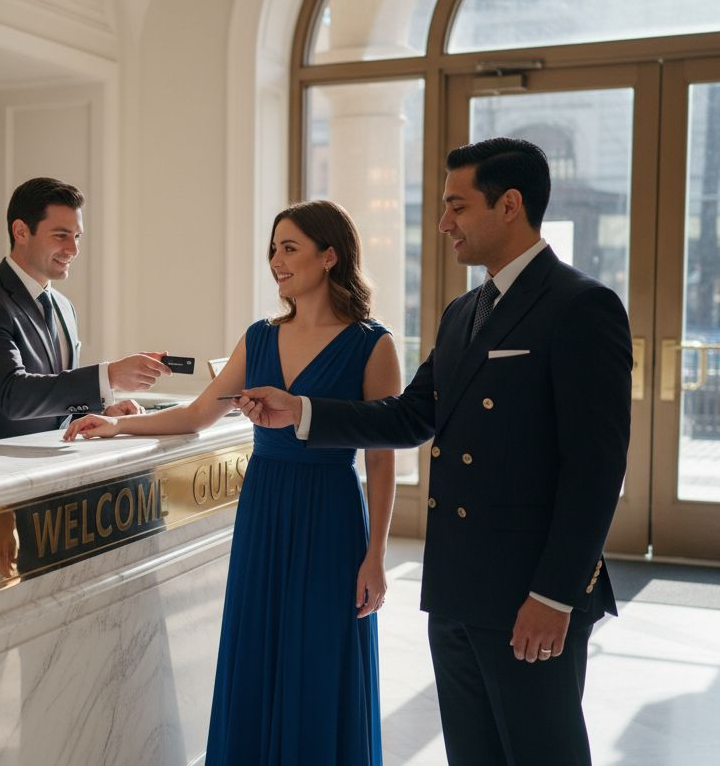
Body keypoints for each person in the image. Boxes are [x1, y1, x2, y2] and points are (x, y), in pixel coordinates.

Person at [240, 138, 632, 765]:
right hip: (456, 589)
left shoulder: (581, 305)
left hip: (528, 592)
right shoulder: (463, 312)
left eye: (458, 206)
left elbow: (596, 469)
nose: (444, 222)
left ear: (510, 205)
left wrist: (555, 595)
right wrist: (302, 411)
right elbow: (410, 415)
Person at [64, 200, 400, 765]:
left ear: (330, 256)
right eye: (273, 249)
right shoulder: (260, 337)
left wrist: (376, 557)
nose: (276, 260)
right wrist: (119, 424)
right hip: (264, 508)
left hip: (331, 516)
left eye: (290, 248)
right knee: (257, 646)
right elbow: (198, 415)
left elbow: (382, 458)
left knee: (320, 655)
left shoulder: (373, 344)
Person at [0, 177, 171, 446]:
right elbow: (13, 396)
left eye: (77, 236)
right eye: (61, 235)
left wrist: (103, 415)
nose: (73, 249)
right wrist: (109, 375)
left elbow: (55, 403)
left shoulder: (64, 307)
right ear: (20, 231)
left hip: (55, 459)